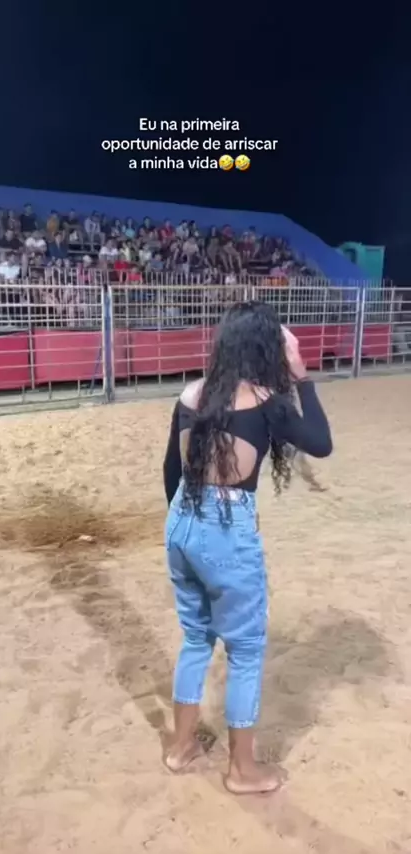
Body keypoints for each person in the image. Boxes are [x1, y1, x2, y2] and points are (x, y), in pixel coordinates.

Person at [162, 301, 332, 794]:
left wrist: (188, 527)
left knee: (196, 639)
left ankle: (181, 747)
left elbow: (171, 471)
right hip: (226, 527)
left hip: (182, 521)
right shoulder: (265, 401)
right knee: (245, 651)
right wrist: (302, 377)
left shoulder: (192, 394)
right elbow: (320, 442)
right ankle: (242, 770)